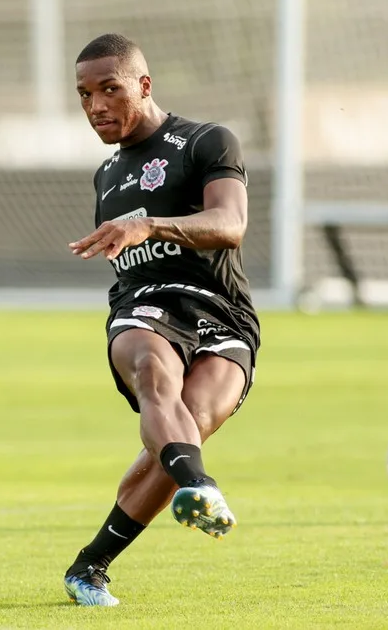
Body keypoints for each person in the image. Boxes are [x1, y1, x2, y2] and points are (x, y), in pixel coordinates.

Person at [63, 33, 261, 607]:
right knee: (153, 373)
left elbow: (230, 223)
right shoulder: (106, 175)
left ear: (144, 85)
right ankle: (200, 487)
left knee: (187, 425)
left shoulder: (205, 140)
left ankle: (89, 566)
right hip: (144, 308)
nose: (95, 105)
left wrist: (150, 223)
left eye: (109, 89)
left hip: (222, 310)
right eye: (83, 94)